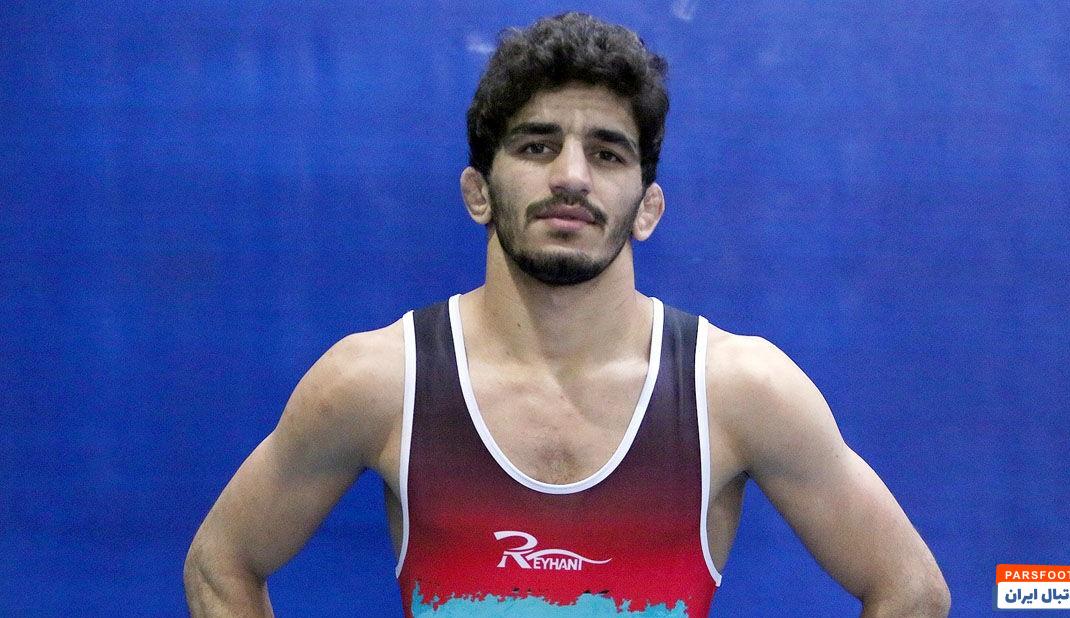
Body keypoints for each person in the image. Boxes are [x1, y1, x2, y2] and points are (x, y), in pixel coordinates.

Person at [184, 12, 950, 617]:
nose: (572, 177)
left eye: (608, 153)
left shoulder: (739, 390)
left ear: (647, 208)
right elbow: (221, 566)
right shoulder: (379, 382)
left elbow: (912, 590)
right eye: (537, 146)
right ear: (478, 192)